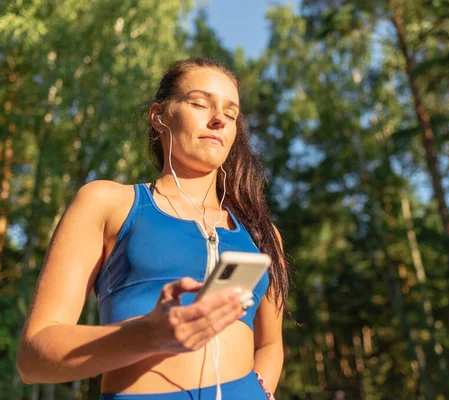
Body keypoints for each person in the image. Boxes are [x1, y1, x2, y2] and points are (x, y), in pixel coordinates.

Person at [16, 58, 291, 400]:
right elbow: (33, 357)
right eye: (200, 103)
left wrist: (261, 389)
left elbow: (269, 344)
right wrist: (148, 335)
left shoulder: (263, 235)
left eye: (231, 114)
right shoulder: (105, 203)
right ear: (159, 116)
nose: (219, 119)